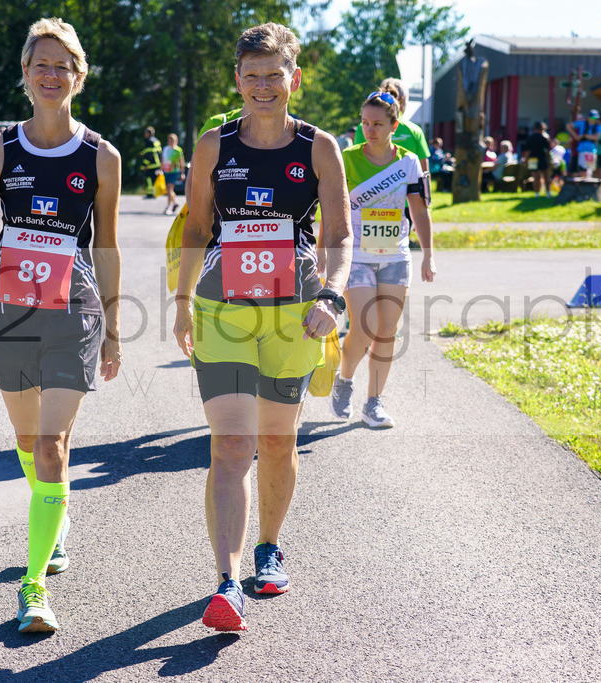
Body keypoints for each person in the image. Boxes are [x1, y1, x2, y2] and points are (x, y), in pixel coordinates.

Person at [173, 21, 351, 632]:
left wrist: (332, 295)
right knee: (230, 443)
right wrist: (179, 301)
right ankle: (225, 582)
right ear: (238, 80)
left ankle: (268, 548)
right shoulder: (213, 145)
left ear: (293, 78)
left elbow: (339, 234)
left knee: (277, 441)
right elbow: (197, 229)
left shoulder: (318, 147)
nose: (264, 86)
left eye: (275, 75)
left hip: (295, 312)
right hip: (222, 307)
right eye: (252, 76)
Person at [0, 17, 122, 634]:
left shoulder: (101, 157)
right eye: (41, 65)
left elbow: (105, 244)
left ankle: (33, 589)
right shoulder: (0, 149)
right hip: (10, 307)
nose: (52, 75)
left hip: (75, 307)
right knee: (30, 445)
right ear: (25, 74)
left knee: (52, 447)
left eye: (64, 66)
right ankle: (55, 516)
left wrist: (112, 328)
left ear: (78, 76)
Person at [330, 91, 434, 428]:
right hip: (356, 255)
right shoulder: (345, 159)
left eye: (377, 124)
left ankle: (373, 403)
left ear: (395, 125)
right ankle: (344, 380)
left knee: (386, 331)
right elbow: (331, 210)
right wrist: (324, 253)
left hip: (395, 256)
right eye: (364, 123)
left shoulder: (409, 162)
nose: (369, 130)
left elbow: (419, 209)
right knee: (365, 325)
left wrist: (428, 255)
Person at [354, 78, 431, 173]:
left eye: (378, 124)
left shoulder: (362, 127)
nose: (370, 130)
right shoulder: (415, 130)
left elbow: (356, 162)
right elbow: (424, 173)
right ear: (402, 101)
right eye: (366, 122)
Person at [566, 110, 601, 179]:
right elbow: (568, 126)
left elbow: (597, 136)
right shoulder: (582, 124)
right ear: (589, 118)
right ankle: (583, 183)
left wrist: (585, 135)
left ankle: (588, 182)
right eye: (593, 118)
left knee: (590, 168)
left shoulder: (597, 126)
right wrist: (576, 136)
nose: (594, 120)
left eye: (596, 118)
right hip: (582, 149)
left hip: (592, 150)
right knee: (582, 168)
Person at [523, 121, 551, 196]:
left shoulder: (530, 138)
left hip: (532, 159)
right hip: (542, 158)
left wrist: (526, 160)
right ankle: (548, 192)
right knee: (546, 176)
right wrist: (549, 159)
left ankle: (536, 193)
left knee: (535, 177)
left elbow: (527, 151)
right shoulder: (544, 138)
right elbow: (548, 150)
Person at [160, 133, 185, 215]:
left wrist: (182, 173)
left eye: (172, 140)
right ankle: (175, 203)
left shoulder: (178, 150)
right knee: (168, 189)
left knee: (170, 189)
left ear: (176, 141)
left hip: (174, 171)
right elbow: (163, 160)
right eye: (170, 140)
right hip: (166, 171)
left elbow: (181, 162)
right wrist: (160, 169)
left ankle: (168, 206)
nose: (171, 141)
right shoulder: (165, 149)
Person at [138, 126, 162, 198]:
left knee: (149, 179)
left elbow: (149, 154)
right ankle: (154, 193)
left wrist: (145, 164)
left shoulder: (149, 141)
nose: (145, 134)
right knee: (154, 180)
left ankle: (150, 194)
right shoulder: (156, 141)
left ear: (149, 133)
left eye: (145, 133)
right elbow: (159, 152)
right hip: (157, 163)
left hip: (151, 165)